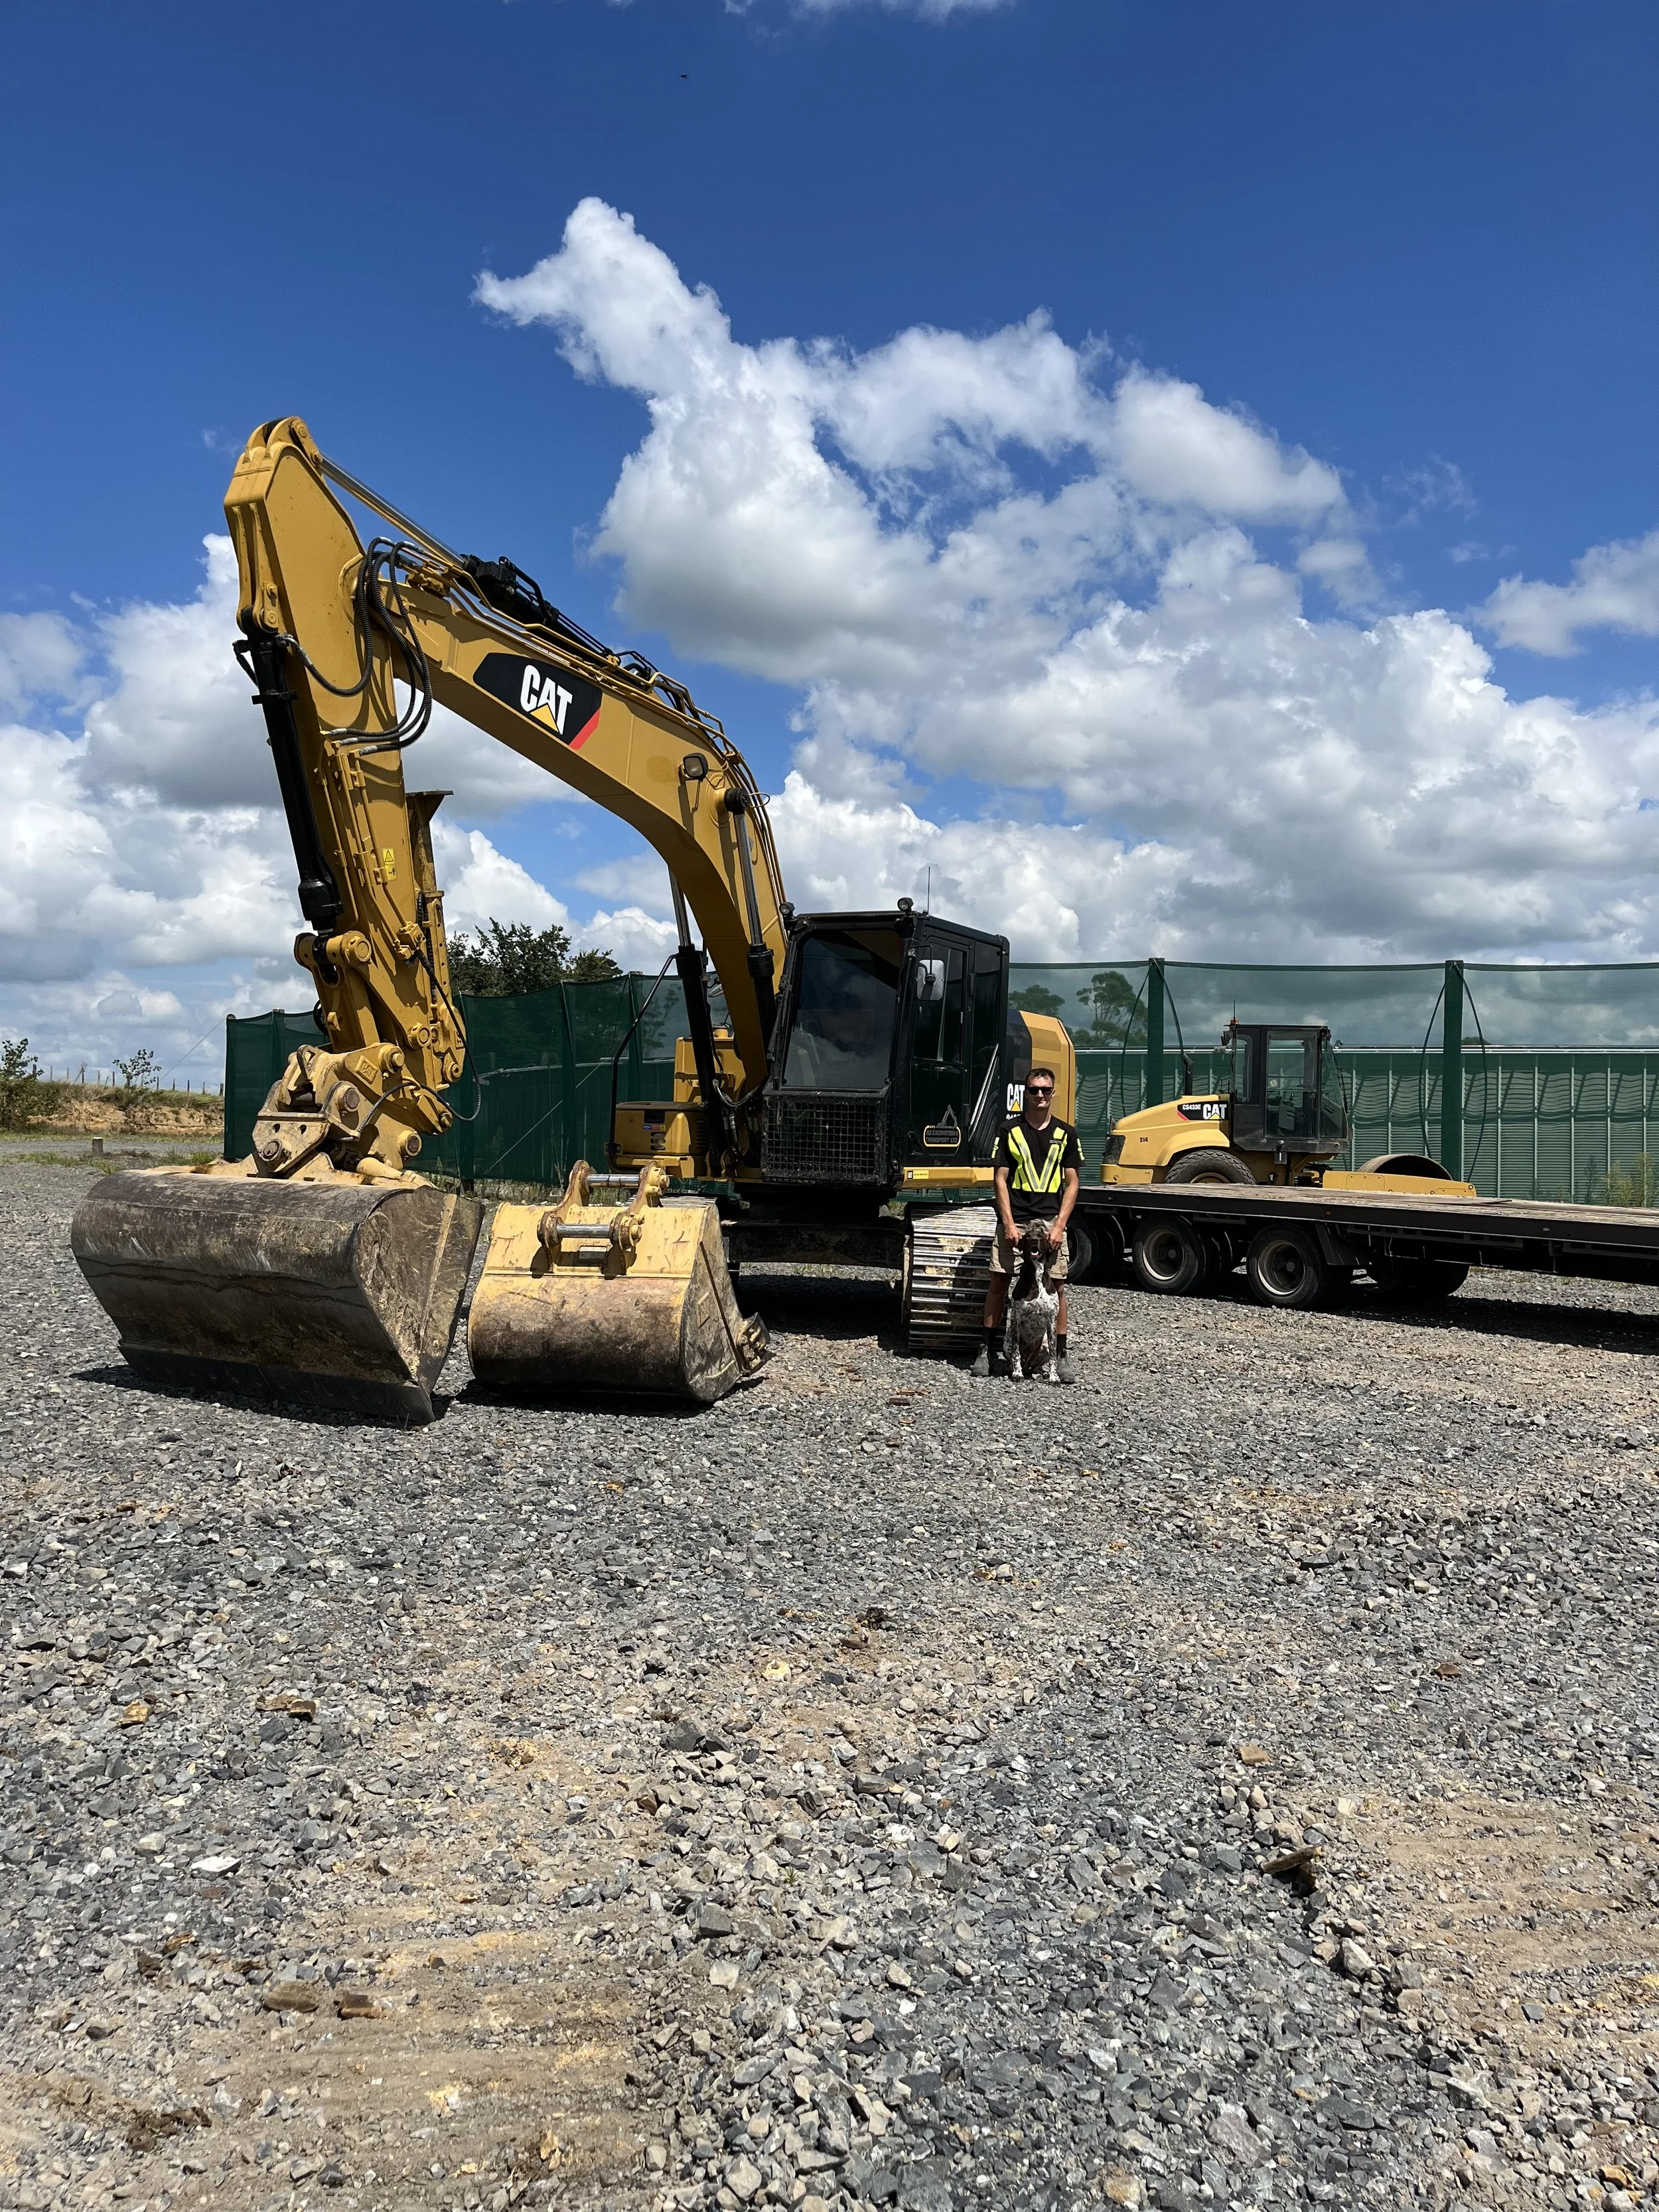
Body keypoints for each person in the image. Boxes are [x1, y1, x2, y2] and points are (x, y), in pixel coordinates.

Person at [973, 1065, 1081, 1382]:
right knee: (999, 1282)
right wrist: (1008, 1224)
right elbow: (1000, 1179)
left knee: (1057, 1286)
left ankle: (1060, 1357)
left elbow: (1073, 1183)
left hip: (1049, 1221)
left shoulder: (1066, 1133)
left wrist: (1060, 1226)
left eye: (1045, 1090)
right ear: (1025, 1092)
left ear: (1053, 1092)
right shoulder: (1008, 1131)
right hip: (1017, 1219)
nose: (1039, 1095)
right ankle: (985, 1352)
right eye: (1034, 1090)